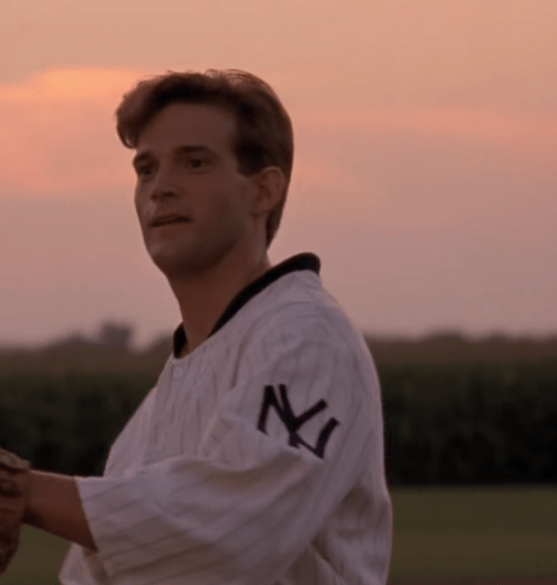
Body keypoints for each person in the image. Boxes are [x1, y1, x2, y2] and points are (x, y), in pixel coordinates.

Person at [21, 69, 393, 585]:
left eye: (194, 163)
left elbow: (229, 534)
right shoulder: (158, 408)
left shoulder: (307, 340)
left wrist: (13, 490)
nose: (161, 188)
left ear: (264, 191)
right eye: (145, 170)